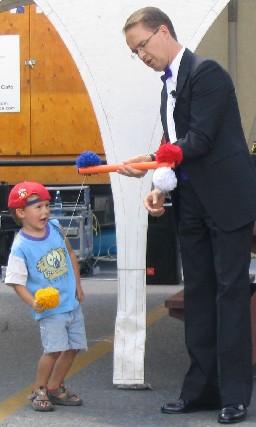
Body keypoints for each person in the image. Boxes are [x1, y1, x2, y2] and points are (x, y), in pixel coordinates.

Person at [119, 6, 256, 424]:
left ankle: (235, 396)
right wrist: (155, 181)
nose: (142, 56)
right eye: (134, 52)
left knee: (230, 295)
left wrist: (153, 162)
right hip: (192, 199)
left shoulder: (208, 72)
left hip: (228, 199)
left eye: (142, 45)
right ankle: (200, 390)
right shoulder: (169, 87)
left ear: (163, 32)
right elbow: (173, 143)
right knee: (198, 295)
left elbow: (198, 139)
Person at [5, 181, 87, 412]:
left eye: (47, 205)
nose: (46, 211)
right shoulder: (21, 246)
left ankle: (55, 387)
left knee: (73, 347)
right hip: (50, 310)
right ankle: (39, 389)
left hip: (70, 303)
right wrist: (33, 303)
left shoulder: (55, 227)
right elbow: (15, 281)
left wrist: (78, 284)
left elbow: (70, 253)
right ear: (21, 212)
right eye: (38, 207)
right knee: (53, 350)